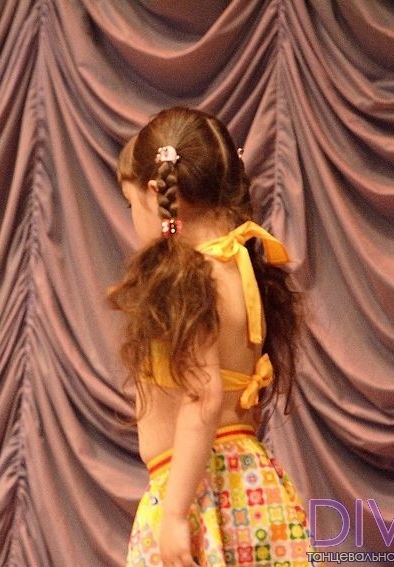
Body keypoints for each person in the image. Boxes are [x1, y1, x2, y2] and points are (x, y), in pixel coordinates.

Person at [109, 108, 314, 566]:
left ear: (155, 193)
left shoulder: (188, 275)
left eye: (130, 205)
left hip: (199, 492)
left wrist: (175, 513)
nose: (133, 220)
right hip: (250, 485)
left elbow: (203, 396)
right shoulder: (240, 267)